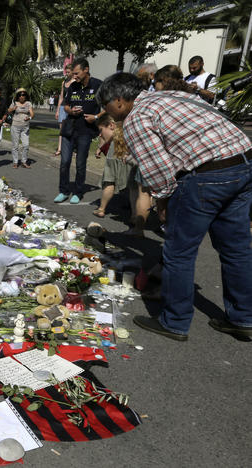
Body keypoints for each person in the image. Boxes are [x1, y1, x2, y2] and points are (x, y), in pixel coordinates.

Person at [97, 71, 252, 340]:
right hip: (243, 163)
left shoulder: (136, 118)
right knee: (235, 247)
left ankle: (175, 321)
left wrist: (163, 205)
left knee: (179, 251)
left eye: (106, 106)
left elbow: (159, 171)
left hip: (206, 174)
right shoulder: (172, 94)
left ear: (120, 101)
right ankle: (243, 317)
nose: (107, 112)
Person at [55, 58, 103, 204]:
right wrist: (72, 111)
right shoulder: (73, 86)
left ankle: (78, 191)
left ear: (86, 70)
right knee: (64, 162)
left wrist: (95, 117)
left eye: (76, 73)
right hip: (70, 128)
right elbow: (66, 106)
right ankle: (63, 191)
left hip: (85, 131)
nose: (74, 76)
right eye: (73, 73)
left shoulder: (98, 85)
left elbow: (108, 107)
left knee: (81, 163)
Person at [92, 115, 132, 218]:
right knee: (132, 185)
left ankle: (101, 209)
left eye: (101, 130)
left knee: (109, 181)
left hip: (114, 153)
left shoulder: (114, 146)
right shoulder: (130, 133)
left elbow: (109, 180)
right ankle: (135, 214)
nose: (100, 135)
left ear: (111, 126)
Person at [7, 88, 34, 168]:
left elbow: (32, 114)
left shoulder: (28, 103)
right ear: (18, 96)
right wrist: (13, 108)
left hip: (25, 127)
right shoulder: (14, 103)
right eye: (20, 95)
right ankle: (15, 162)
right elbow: (8, 111)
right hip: (15, 126)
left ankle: (24, 161)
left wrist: (29, 118)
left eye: (24, 95)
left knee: (26, 145)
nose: (22, 97)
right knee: (15, 145)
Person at [55, 64, 75, 157]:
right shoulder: (64, 82)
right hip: (63, 107)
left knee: (72, 128)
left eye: (68, 72)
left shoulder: (75, 82)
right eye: (66, 72)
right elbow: (61, 97)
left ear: (72, 71)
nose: (66, 73)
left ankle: (72, 148)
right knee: (62, 129)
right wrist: (58, 110)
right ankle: (60, 148)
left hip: (71, 107)